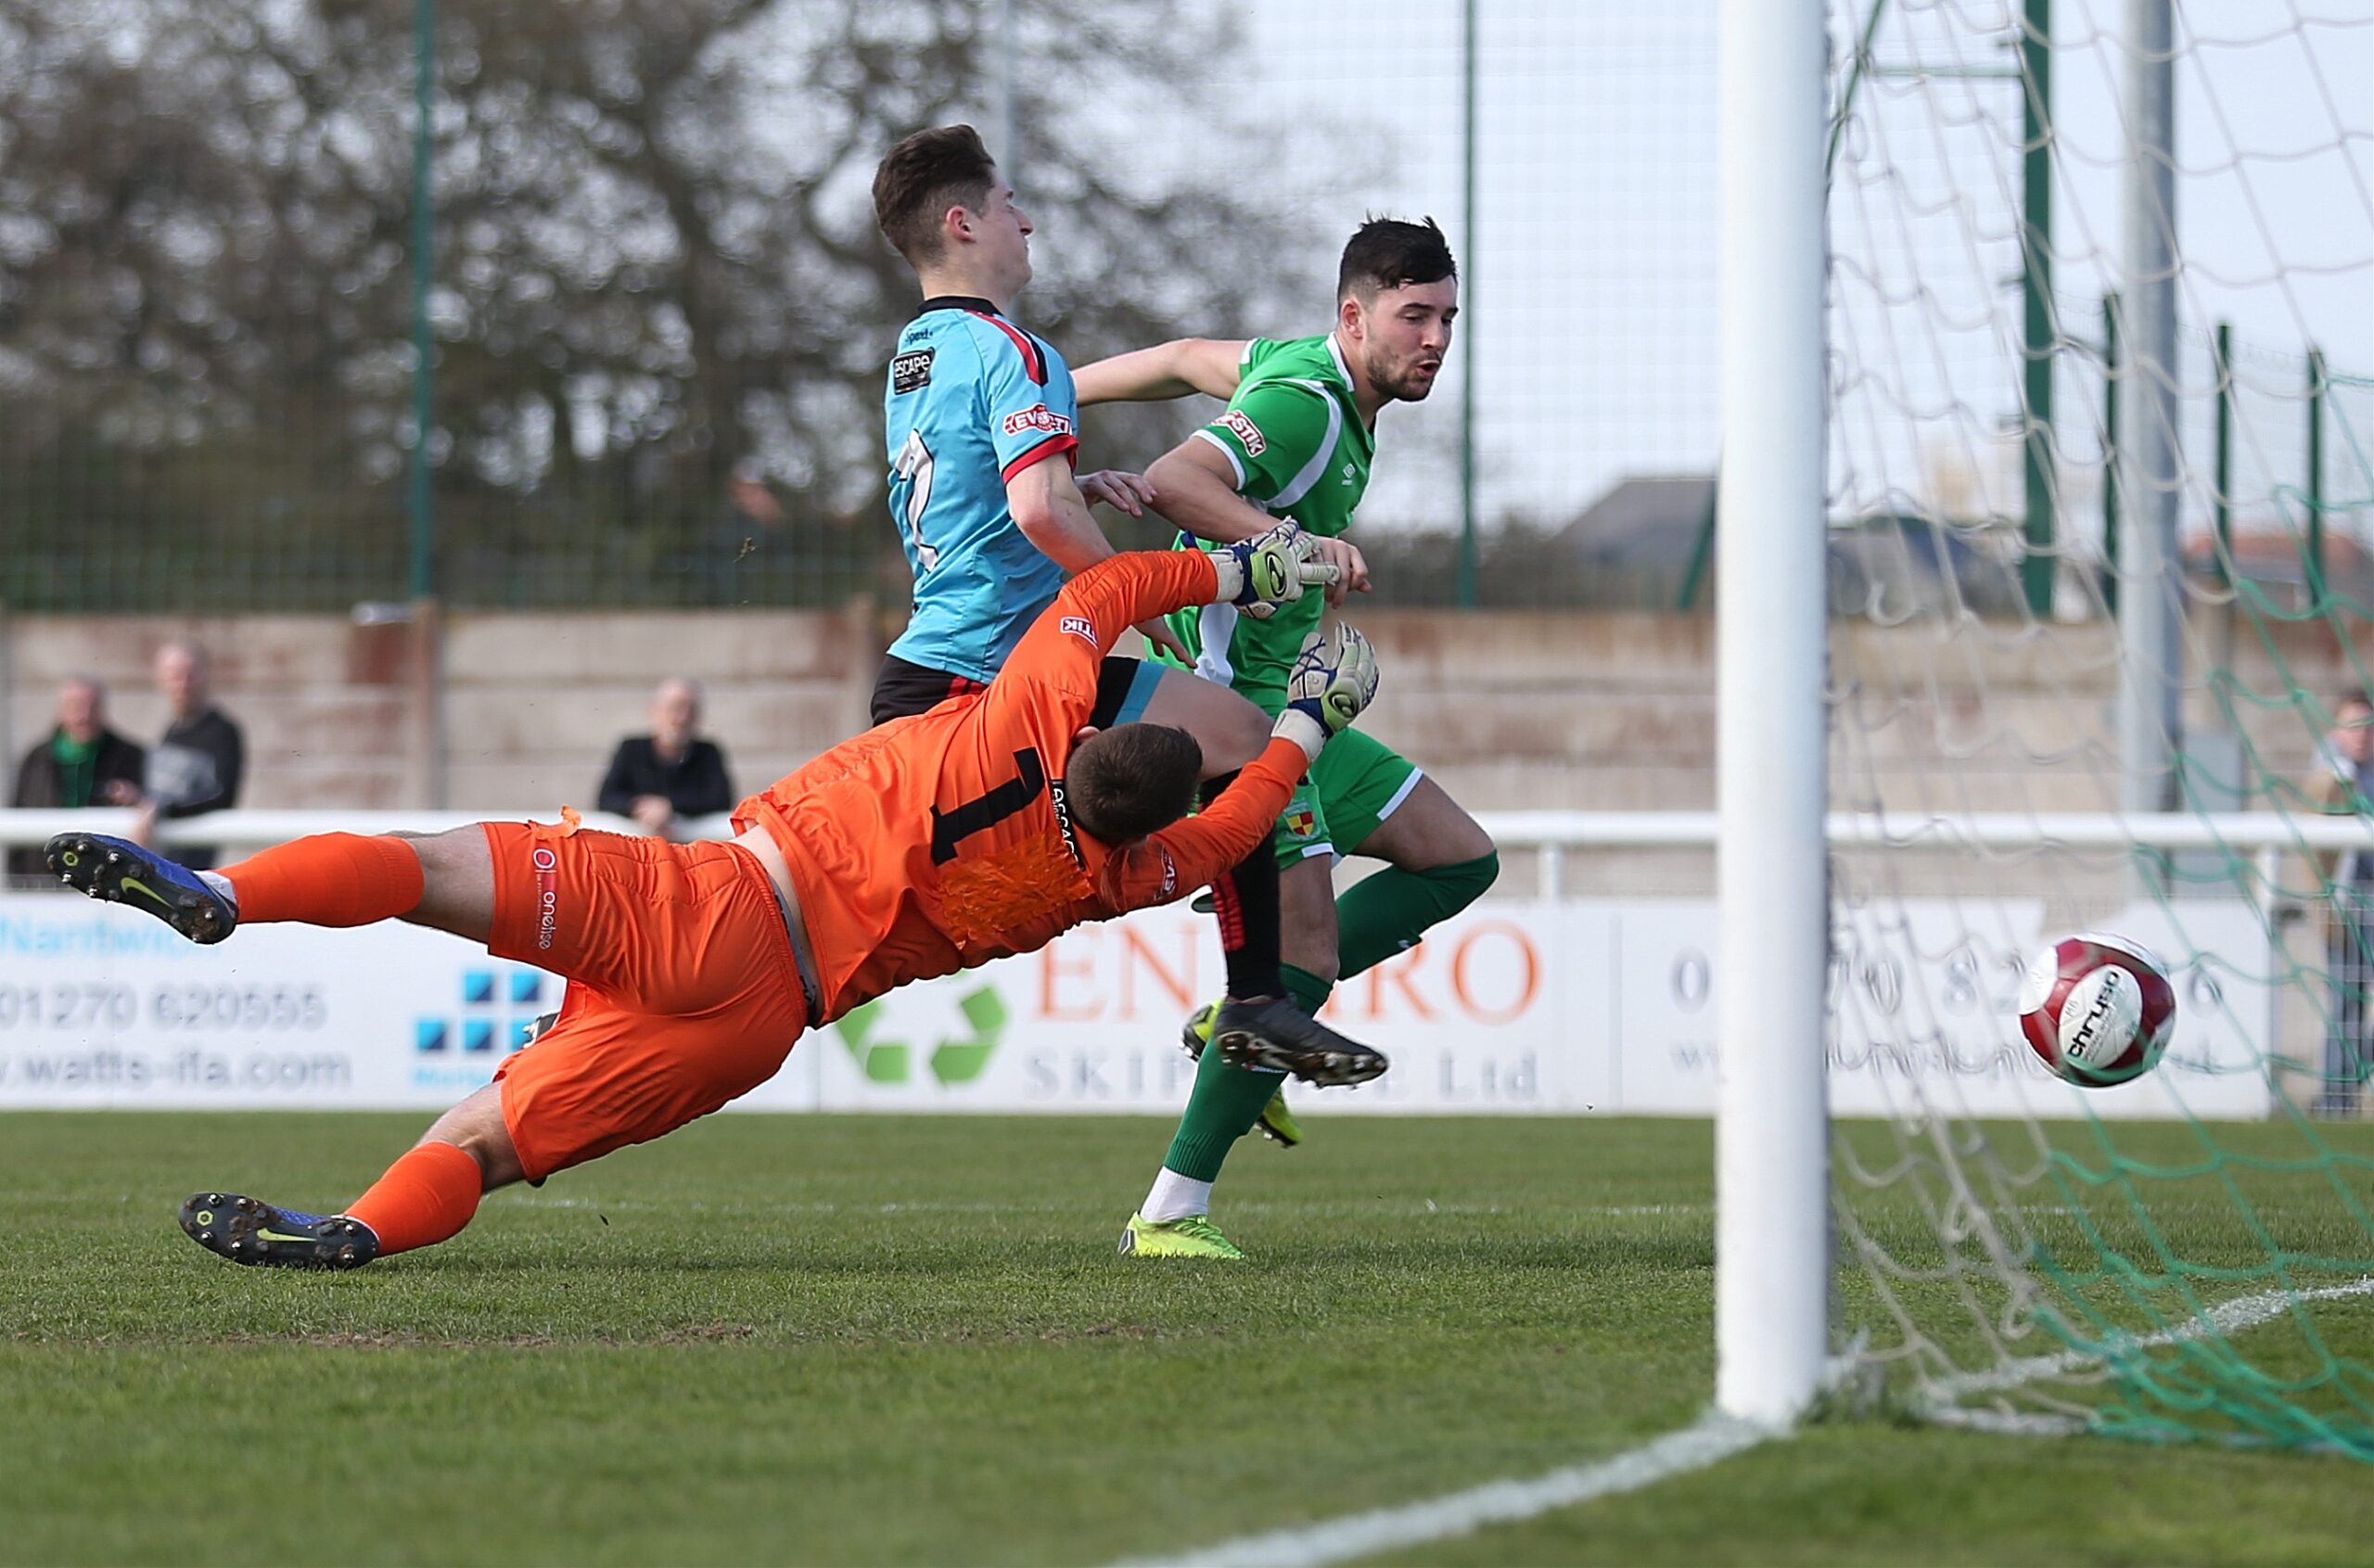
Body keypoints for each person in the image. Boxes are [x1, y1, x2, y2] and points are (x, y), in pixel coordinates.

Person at [47, 536, 1385, 1272]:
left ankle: (225, 892)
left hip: (716, 901)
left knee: (434, 867)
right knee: (493, 1138)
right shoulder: (1122, 875)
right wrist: (1311, 720)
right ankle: (355, 1228)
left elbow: (1107, 589)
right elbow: (1244, 821)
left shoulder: (1027, 712)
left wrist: (1261, 572)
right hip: (762, 1022)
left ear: (1081, 730)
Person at [865, 123, 1359, 1131]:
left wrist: (1075, 488)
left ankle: (1255, 997)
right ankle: (1254, 992)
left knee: (1229, 738)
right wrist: (1150, 594)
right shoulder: (1015, 349)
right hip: (998, 680)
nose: (1025, 220)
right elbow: (1039, 516)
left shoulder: (914, 354)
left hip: (937, 668)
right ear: (962, 223)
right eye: (1008, 205)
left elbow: (994, 503)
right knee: (865, 927)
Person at [1072, 217, 1502, 1258]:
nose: (1436, 338)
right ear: (1353, 316)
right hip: (1231, 719)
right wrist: (1292, 541)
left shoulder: (1298, 369)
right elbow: (1178, 480)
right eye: (1414, 316)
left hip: (1280, 699)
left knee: (1457, 857)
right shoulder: (1304, 405)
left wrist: (1045, 394)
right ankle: (1171, 1212)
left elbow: (1180, 360)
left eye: (1448, 317)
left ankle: (1243, 1020)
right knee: (1299, 952)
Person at [2307, 688, 2374, 1115]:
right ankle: (2336, 1101)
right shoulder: (2327, 772)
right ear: (2336, 731)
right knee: (2345, 1003)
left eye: (2367, 725)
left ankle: (2346, 1081)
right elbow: (2315, 842)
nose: (2361, 734)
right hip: (2348, 906)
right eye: (2352, 725)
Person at [9, 678, 144, 880]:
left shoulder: (129, 755)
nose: (85, 715)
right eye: (76, 706)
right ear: (61, 710)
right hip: (42, 877)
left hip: (106, 879)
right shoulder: (37, 759)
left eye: (92, 707)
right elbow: (19, 815)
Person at [134, 640, 245, 870]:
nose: (183, 684)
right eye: (175, 675)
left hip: (191, 868)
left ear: (206, 676)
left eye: (190, 674)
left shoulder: (222, 732)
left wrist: (166, 810)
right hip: (158, 861)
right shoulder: (172, 730)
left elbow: (221, 797)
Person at [596, 677, 735, 835]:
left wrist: (668, 807)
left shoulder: (708, 752)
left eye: (691, 710)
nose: (682, 718)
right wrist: (641, 807)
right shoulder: (630, 749)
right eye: (675, 708)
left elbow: (720, 799)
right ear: (654, 711)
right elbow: (606, 799)